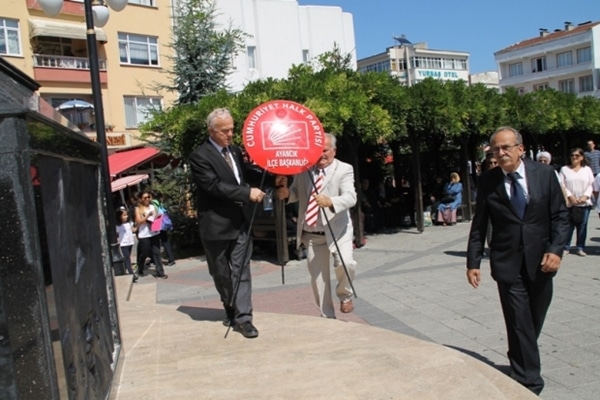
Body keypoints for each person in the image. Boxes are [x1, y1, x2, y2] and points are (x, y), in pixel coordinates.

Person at [466, 126, 569, 395]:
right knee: (519, 321)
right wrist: (473, 262)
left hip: (542, 262)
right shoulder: (488, 181)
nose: (500, 154)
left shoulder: (545, 175)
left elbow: (560, 216)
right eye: (495, 149)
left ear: (520, 149)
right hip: (507, 263)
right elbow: (479, 225)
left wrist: (556, 250)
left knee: (533, 319)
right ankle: (529, 382)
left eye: (506, 148)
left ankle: (519, 356)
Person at [189, 108, 265, 339]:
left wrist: (272, 176)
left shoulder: (234, 150)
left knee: (241, 271)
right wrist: (246, 193)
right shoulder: (200, 156)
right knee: (221, 274)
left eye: (232, 129)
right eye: (225, 131)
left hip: (240, 223)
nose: (231, 134)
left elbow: (244, 174)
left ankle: (244, 319)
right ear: (211, 131)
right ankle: (230, 306)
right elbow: (213, 186)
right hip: (216, 226)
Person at [275, 133, 357, 319]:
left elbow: (351, 197)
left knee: (347, 263)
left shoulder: (344, 169)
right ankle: (327, 317)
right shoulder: (303, 170)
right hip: (312, 232)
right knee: (318, 279)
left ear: (334, 151)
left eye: (325, 150)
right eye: (317, 150)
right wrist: (284, 192)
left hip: (338, 230)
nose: (321, 154)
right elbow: (295, 193)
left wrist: (330, 201)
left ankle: (345, 295)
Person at [560, 147, 594, 256]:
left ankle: (580, 247)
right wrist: (570, 196)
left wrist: (585, 196)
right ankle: (566, 247)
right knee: (569, 226)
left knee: (582, 226)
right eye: (572, 155)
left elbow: (591, 184)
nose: (574, 157)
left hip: (584, 203)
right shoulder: (564, 169)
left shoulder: (587, 169)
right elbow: (562, 185)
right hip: (570, 203)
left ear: (582, 157)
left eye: (577, 155)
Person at [135, 189, 168, 279]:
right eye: (145, 198)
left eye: (148, 197)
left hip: (154, 233)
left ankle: (160, 272)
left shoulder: (153, 206)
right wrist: (147, 216)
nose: (147, 199)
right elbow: (139, 221)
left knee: (157, 253)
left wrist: (158, 218)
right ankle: (140, 267)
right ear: (141, 199)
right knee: (144, 252)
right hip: (144, 234)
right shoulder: (138, 209)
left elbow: (157, 217)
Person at [151, 191, 176, 266]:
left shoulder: (153, 203)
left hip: (158, 224)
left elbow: (155, 214)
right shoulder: (159, 202)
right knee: (165, 241)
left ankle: (156, 260)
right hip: (163, 224)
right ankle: (171, 258)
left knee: (156, 243)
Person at [116, 207, 138, 282]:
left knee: (127, 257)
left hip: (130, 242)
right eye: (124, 215)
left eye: (126, 215)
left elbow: (133, 230)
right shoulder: (118, 226)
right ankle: (131, 273)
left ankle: (126, 268)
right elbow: (116, 234)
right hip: (123, 243)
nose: (126, 216)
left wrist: (137, 224)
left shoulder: (129, 223)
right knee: (127, 258)